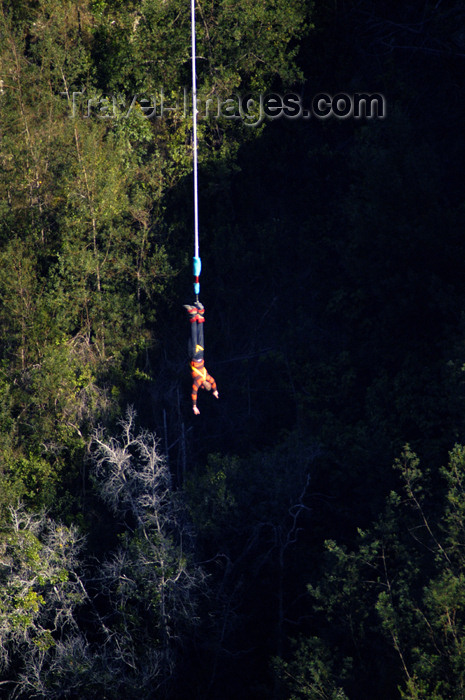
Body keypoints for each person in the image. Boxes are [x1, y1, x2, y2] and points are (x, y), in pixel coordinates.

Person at [184, 301, 219, 415]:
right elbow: (194, 393)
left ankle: (200, 313)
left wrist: (215, 391)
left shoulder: (208, 377)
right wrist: (194, 406)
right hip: (194, 356)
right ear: (203, 386)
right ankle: (192, 314)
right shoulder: (198, 381)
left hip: (201, 355)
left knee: (200, 335)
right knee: (193, 336)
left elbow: (213, 383)